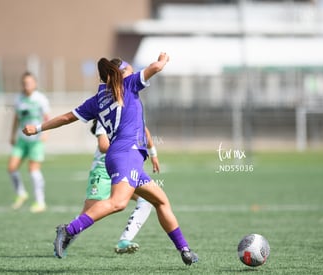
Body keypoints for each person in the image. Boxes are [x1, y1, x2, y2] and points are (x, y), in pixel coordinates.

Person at [23, 53, 198, 265]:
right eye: (131, 70)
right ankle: (68, 229)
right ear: (121, 73)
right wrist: (163, 60)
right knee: (118, 203)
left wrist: (38, 128)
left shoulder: (98, 99)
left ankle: (185, 250)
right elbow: (155, 67)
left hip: (121, 156)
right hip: (127, 155)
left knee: (160, 201)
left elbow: (67, 117)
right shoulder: (129, 84)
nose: (135, 73)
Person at [84, 119, 159, 254]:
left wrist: (153, 152)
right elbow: (103, 146)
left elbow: (144, 129)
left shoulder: (131, 111)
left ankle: (124, 241)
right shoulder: (107, 115)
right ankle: (66, 235)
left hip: (125, 168)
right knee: (89, 212)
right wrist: (127, 147)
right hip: (103, 171)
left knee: (146, 200)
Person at [8, 72, 50, 213]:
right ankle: (21, 193)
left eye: (30, 82)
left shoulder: (40, 99)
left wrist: (46, 132)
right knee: (12, 167)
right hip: (22, 139)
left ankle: (40, 201)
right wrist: (12, 134)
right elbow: (16, 118)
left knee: (33, 170)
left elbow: (47, 117)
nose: (27, 85)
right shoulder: (19, 99)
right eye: (25, 83)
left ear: (35, 84)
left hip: (36, 139)